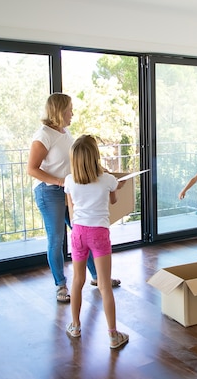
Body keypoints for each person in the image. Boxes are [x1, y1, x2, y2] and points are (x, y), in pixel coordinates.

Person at [27, 93, 119, 304]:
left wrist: (101, 171)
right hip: (49, 192)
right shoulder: (43, 136)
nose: (72, 113)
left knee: (81, 232)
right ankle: (61, 285)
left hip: (68, 190)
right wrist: (60, 182)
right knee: (57, 238)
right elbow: (32, 169)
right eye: (70, 109)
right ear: (59, 110)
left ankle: (98, 277)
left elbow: (76, 161)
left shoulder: (64, 132)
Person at [63, 135, 129, 349]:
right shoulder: (108, 179)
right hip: (99, 233)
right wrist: (116, 187)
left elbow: (71, 206)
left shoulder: (69, 180)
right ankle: (112, 336)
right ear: (95, 156)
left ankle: (75, 326)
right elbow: (113, 200)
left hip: (78, 232)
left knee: (77, 281)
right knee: (104, 285)